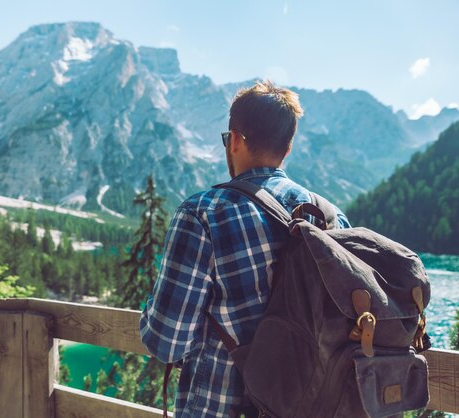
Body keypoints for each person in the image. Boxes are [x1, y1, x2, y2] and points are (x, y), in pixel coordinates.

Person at [139, 80, 350, 417]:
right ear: (288, 148)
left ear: (234, 140)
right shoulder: (331, 217)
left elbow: (167, 341)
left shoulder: (202, 214)